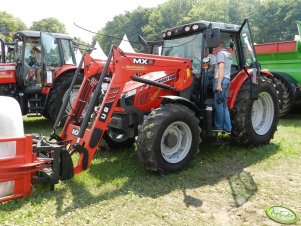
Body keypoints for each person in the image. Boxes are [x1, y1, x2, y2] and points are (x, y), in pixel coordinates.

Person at [212, 41, 232, 134]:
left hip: (221, 80)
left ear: (218, 47)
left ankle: (218, 127)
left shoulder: (220, 54)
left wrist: (218, 84)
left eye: (215, 48)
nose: (214, 50)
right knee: (224, 106)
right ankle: (227, 128)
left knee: (218, 105)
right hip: (227, 80)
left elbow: (221, 68)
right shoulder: (229, 54)